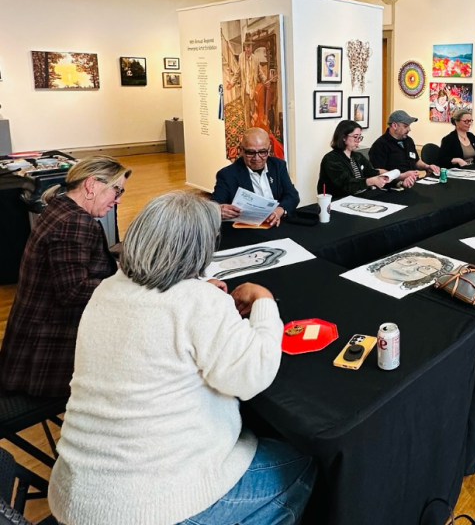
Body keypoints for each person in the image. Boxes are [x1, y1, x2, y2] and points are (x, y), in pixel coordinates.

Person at [48, 192, 316, 525]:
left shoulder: (105, 290)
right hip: (155, 506)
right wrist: (263, 300)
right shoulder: (198, 303)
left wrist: (200, 289)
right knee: (305, 461)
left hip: (74, 496)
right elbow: (253, 375)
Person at [0, 156, 130, 398]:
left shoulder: (60, 208)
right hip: (43, 357)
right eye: (116, 190)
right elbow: (73, 290)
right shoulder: (75, 222)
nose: (118, 199)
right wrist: (126, 280)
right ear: (91, 185)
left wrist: (114, 266)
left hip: (28, 345)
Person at [212, 127, 299, 226]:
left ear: (269, 149)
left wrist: (279, 210)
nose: (257, 158)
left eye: (262, 152)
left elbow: (292, 196)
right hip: (246, 230)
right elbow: (214, 205)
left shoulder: (278, 166)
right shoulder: (227, 174)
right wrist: (218, 210)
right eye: (250, 152)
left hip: (276, 224)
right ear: (242, 150)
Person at [369, 110, 440, 190]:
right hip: (392, 187)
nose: (409, 129)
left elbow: (415, 161)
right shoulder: (380, 145)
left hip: (412, 183)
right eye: (405, 126)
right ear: (394, 125)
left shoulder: (408, 141)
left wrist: (427, 166)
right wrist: (402, 175)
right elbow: (378, 171)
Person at [318, 120, 388, 198]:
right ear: (344, 137)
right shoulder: (331, 159)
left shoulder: (358, 156)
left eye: (359, 137)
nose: (358, 140)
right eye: (355, 137)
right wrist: (370, 181)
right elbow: (346, 184)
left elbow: (371, 172)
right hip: (339, 200)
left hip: (360, 197)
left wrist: (390, 178)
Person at [226, 41, 270, 129]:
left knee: (254, 113)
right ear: (244, 47)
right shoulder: (241, 57)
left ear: (252, 47)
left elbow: (260, 73)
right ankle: (247, 130)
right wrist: (232, 83)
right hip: (245, 91)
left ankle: (253, 130)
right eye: (246, 47)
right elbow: (238, 73)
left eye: (249, 47)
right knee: (246, 113)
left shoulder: (256, 59)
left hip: (253, 91)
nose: (248, 49)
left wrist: (265, 81)